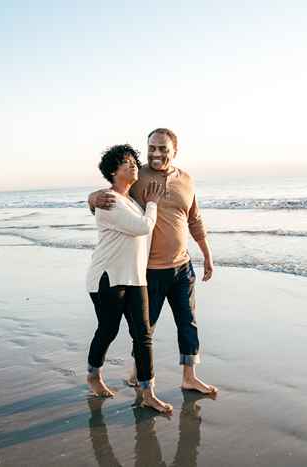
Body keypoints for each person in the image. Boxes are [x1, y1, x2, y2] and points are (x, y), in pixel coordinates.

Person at [88, 129, 217, 395]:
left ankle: (189, 376)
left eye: (163, 148)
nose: (156, 153)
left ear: (175, 151)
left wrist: (206, 253)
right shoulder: (138, 176)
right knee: (145, 329)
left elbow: (195, 219)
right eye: (152, 148)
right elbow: (113, 193)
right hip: (149, 270)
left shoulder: (187, 180)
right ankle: (138, 372)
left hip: (182, 266)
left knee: (188, 322)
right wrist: (91, 198)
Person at [85, 144, 173, 413]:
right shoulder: (109, 201)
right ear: (113, 171)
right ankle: (93, 375)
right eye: (126, 162)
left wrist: (145, 204)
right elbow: (142, 227)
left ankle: (148, 391)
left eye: (134, 161)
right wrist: (153, 204)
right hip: (108, 278)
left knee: (143, 335)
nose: (133, 165)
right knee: (108, 330)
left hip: (136, 278)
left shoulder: (131, 201)